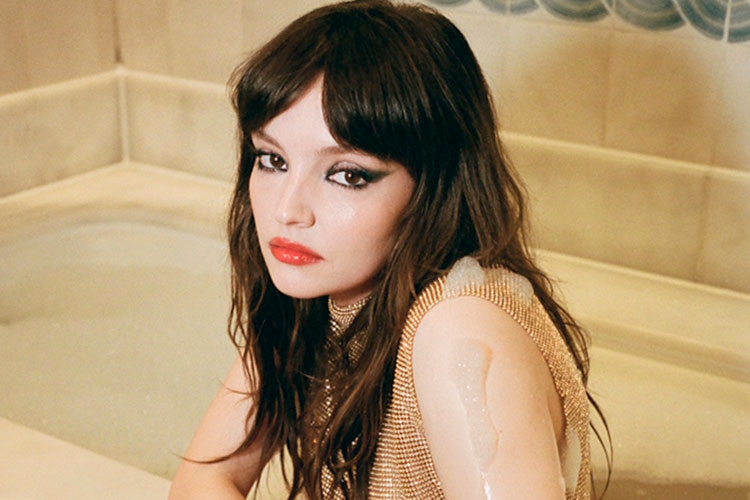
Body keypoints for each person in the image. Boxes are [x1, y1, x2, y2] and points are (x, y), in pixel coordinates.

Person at [169, 1, 609, 499]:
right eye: (272, 160)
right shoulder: (319, 294)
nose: (287, 211)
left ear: (434, 188)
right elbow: (202, 478)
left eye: (347, 175)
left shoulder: (459, 325)